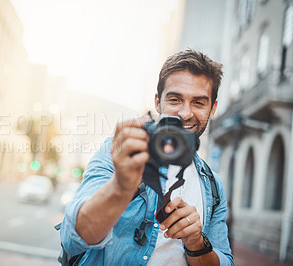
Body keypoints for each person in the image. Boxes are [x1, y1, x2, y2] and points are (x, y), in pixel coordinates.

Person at [60, 49, 234, 265]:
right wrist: (121, 186)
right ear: (157, 102)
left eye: (199, 103)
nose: (185, 113)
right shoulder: (119, 152)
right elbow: (73, 239)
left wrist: (197, 242)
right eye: (175, 99)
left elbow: (226, 261)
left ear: (212, 108)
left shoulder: (213, 185)